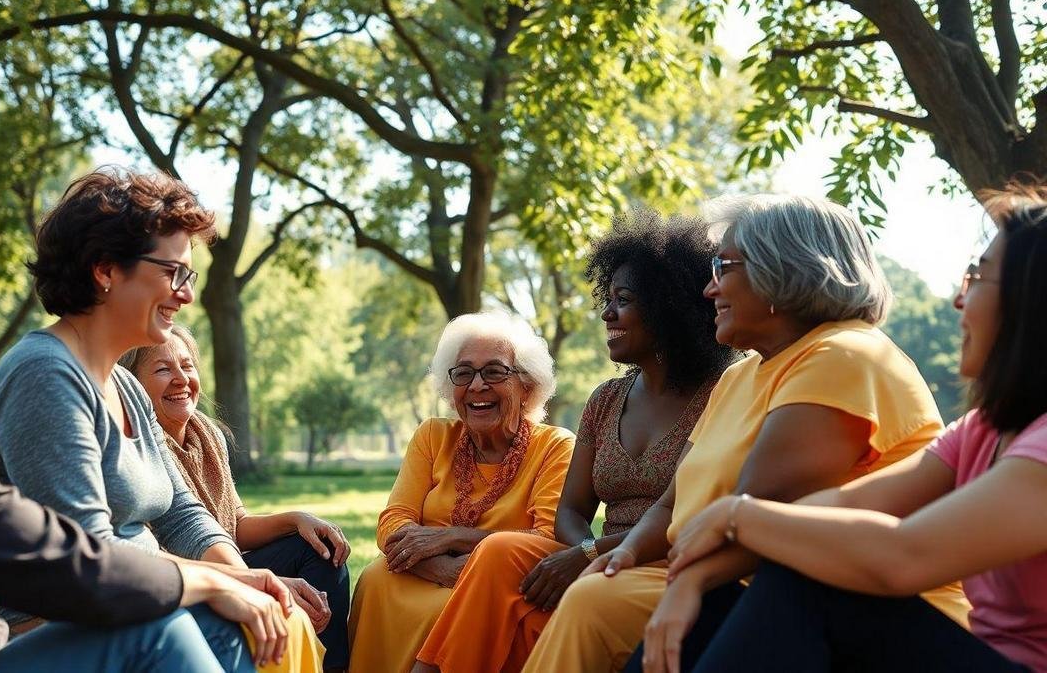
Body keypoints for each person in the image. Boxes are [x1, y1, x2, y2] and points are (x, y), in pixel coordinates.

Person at [0, 185, 298, 672]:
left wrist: (234, 578)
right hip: (28, 634)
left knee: (219, 619)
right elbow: (73, 558)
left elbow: (129, 531)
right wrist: (215, 581)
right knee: (158, 629)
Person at [522, 194, 971, 672]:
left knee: (595, 603)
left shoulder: (844, 355)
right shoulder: (739, 377)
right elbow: (672, 505)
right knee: (593, 591)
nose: (710, 289)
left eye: (724, 267)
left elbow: (753, 513)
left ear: (784, 268)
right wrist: (626, 552)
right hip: (746, 585)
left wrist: (679, 580)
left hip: (857, 608)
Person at [662, 185, 1047, 673]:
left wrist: (738, 514)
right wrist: (696, 579)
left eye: (978, 276)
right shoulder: (981, 430)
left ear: (1031, 299)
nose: (957, 299)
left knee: (805, 581)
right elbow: (845, 506)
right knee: (755, 588)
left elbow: (904, 555)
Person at [0, 169, 322, 671]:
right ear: (105, 270)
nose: (186, 294)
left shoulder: (127, 386)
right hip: (41, 629)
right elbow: (90, 557)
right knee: (165, 627)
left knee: (259, 620)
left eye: (188, 276)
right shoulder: (44, 376)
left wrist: (252, 585)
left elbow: (182, 514)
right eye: (172, 272)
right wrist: (222, 584)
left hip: (129, 607)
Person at [412, 212, 738, 673]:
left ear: (669, 306)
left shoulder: (723, 392)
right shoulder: (607, 398)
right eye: (607, 298)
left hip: (668, 556)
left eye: (622, 300)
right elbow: (571, 511)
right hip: (597, 552)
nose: (607, 313)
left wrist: (590, 559)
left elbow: (689, 517)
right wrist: (581, 553)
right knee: (499, 549)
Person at [345, 310, 575, 673]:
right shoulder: (433, 436)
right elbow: (394, 520)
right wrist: (441, 569)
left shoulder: (556, 447)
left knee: (445, 609)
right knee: (375, 579)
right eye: (463, 373)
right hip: (425, 572)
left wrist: (450, 538)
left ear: (527, 386)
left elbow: (549, 536)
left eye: (495, 372)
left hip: (498, 587)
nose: (477, 386)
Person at [122, 325, 352, 671]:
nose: (181, 379)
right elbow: (160, 552)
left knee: (321, 552)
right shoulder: (138, 446)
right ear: (131, 384)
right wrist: (251, 579)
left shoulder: (207, 433)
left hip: (226, 558)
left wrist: (296, 520)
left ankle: (330, 666)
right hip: (183, 577)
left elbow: (236, 523)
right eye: (163, 369)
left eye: (187, 366)